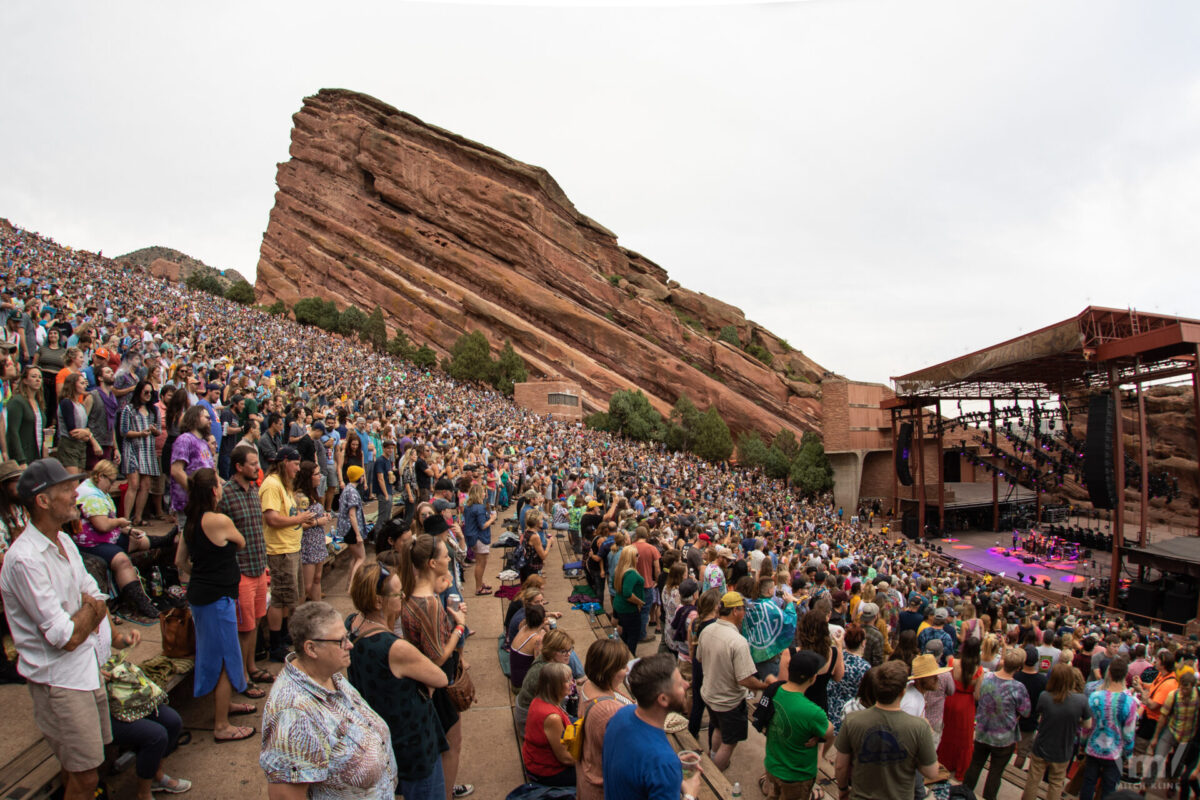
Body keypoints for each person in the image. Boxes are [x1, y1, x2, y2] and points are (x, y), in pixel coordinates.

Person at [0, 458, 111, 800]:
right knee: (85, 776)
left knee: (84, 767)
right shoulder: (25, 559)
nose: (75, 493)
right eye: (66, 488)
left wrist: (88, 610)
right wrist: (90, 612)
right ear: (42, 500)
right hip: (60, 681)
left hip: (84, 670)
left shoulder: (62, 541)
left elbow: (97, 595)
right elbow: (65, 637)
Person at [260, 601, 398, 799]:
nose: (349, 645)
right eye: (340, 641)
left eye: (347, 637)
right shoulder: (293, 714)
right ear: (311, 648)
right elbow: (285, 794)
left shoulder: (330, 676)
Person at [347, 563, 450, 800]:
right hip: (412, 744)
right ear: (377, 601)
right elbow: (440, 677)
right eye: (397, 593)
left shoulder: (352, 625)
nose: (403, 597)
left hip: (381, 736)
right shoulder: (393, 647)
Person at [182, 468, 256, 741]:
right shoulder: (217, 520)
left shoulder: (190, 522)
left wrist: (203, 575)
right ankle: (222, 726)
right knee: (224, 659)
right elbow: (240, 541)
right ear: (214, 491)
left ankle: (224, 706)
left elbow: (181, 562)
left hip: (203, 596)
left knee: (216, 654)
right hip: (217, 600)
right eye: (219, 483)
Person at [398, 532, 472, 800]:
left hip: (425, 681)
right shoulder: (428, 603)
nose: (448, 559)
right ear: (432, 563)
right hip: (437, 682)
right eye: (444, 556)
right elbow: (438, 656)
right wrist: (459, 626)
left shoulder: (414, 594)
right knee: (452, 744)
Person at [601, 653, 702, 800]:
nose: (687, 685)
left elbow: (634, 764)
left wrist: (672, 768)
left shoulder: (620, 715)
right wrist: (690, 794)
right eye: (680, 684)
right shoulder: (662, 760)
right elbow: (654, 760)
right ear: (663, 699)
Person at [834, 660, 940, 800]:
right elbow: (932, 772)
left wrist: (842, 790)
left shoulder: (852, 720)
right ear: (903, 691)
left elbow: (840, 765)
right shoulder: (920, 727)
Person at [697, 591, 778, 770]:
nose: (745, 613)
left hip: (710, 694)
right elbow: (745, 679)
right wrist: (764, 686)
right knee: (730, 742)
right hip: (728, 701)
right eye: (743, 609)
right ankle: (714, 773)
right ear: (735, 611)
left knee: (718, 728)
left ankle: (712, 757)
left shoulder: (707, 630)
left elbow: (700, 658)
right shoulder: (737, 641)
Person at [216, 444, 275, 691]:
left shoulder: (254, 490)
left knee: (256, 621)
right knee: (244, 626)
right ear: (239, 467)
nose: (257, 467)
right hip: (240, 569)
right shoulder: (226, 494)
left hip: (258, 565)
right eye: (252, 464)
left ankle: (250, 667)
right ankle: (241, 678)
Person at [73, 460, 162, 620]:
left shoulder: (97, 489)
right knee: (122, 560)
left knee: (137, 540)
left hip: (106, 537)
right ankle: (141, 604)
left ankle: (166, 540)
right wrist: (120, 522)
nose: (112, 485)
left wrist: (127, 529)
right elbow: (102, 524)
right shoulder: (90, 494)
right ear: (100, 476)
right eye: (111, 481)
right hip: (90, 543)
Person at [260, 445, 317, 662]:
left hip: (291, 547)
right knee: (279, 599)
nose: (297, 469)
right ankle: (275, 645)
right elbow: (272, 519)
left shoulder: (283, 484)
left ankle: (283, 637)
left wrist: (301, 517)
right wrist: (299, 520)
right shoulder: (272, 485)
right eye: (295, 464)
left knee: (287, 599)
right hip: (280, 549)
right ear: (285, 462)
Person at [763, 649, 835, 800]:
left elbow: (770, 680)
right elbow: (829, 732)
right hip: (796, 775)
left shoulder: (775, 690)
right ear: (813, 677)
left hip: (772, 765)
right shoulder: (812, 712)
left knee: (774, 794)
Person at [962, 647, 1031, 800]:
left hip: (983, 731)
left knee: (975, 765)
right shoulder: (1018, 688)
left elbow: (977, 696)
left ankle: (963, 795)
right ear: (1019, 667)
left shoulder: (987, 677)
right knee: (995, 772)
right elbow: (1026, 711)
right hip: (1003, 738)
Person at [1021, 662, 1090, 800]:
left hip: (1042, 745)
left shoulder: (1045, 696)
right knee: (1056, 783)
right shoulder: (1081, 700)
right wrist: (1075, 719)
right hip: (1063, 748)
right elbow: (1088, 725)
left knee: (1033, 780)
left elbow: (1039, 712)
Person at [575, 638, 633, 800]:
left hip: (589, 769)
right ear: (608, 671)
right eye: (622, 667)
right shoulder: (607, 710)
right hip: (602, 788)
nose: (627, 670)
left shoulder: (589, 685)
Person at [1078, 657, 1138, 800]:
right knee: (1109, 789)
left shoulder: (1095, 696)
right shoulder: (1129, 701)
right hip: (1115, 752)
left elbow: (1087, 726)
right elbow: (1129, 733)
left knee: (1088, 783)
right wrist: (1128, 755)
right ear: (1125, 675)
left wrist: (1082, 744)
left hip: (1094, 748)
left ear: (1109, 673)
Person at [521, 662, 576, 786]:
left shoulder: (539, 699)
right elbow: (565, 758)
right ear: (555, 686)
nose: (572, 683)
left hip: (535, 757)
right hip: (547, 772)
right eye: (567, 681)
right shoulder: (552, 718)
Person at [939, 635, 983, 780]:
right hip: (966, 704)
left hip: (951, 700)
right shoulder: (979, 670)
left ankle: (945, 761)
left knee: (947, 732)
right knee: (964, 738)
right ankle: (960, 768)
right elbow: (977, 695)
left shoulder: (952, 662)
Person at [515, 629, 575, 732]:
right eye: (563, 651)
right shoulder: (549, 674)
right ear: (551, 652)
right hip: (530, 721)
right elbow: (556, 708)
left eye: (570, 649)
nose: (568, 654)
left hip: (532, 710)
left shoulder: (545, 658)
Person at [1150, 668, 1200, 796]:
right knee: (1158, 757)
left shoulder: (1198, 697)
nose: (1183, 691)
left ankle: (1172, 785)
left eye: (1186, 689)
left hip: (1187, 736)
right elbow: (1163, 717)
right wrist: (1155, 737)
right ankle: (1146, 784)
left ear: (1193, 687)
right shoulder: (1174, 695)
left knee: (1177, 764)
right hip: (1171, 731)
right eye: (1182, 688)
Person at [119, 380, 160, 524]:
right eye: (146, 392)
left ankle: (138, 517)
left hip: (148, 449)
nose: (148, 395)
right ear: (139, 392)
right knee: (134, 484)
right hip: (132, 448)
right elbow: (123, 431)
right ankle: (125, 518)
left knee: (146, 485)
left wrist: (154, 431)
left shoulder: (154, 411)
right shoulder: (129, 409)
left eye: (150, 392)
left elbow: (158, 431)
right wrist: (139, 434)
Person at [294, 460, 333, 602]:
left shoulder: (313, 494)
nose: (320, 476)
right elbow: (297, 523)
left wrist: (324, 516)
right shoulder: (300, 497)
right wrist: (317, 522)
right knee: (306, 586)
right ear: (308, 477)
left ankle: (318, 609)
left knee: (317, 579)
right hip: (307, 545)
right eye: (316, 474)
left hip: (318, 543)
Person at [1013, 644, 1048, 769]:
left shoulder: (1015, 676)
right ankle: (1015, 771)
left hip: (1013, 717)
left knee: (1008, 748)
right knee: (1022, 752)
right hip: (1029, 719)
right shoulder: (1042, 681)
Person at [6, 365, 47, 465]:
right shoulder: (18, 401)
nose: (37, 380)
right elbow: (13, 432)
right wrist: (21, 459)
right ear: (25, 380)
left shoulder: (39, 403)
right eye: (33, 376)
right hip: (23, 457)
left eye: (40, 377)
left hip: (36, 456)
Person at [55, 371, 95, 473]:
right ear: (73, 385)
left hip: (81, 445)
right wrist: (87, 432)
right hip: (69, 445)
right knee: (73, 482)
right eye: (81, 383)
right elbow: (73, 431)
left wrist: (86, 433)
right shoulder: (66, 403)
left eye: (84, 383)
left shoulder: (81, 405)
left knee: (79, 481)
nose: (84, 386)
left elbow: (85, 429)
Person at [612, 544, 646, 657]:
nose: (639, 556)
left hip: (619, 606)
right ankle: (629, 658)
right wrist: (639, 602)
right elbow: (627, 593)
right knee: (632, 636)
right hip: (629, 610)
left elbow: (615, 586)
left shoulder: (619, 569)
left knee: (625, 634)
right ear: (631, 557)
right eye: (636, 555)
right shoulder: (630, 573)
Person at [337, 465, 367, 592]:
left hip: (347, 529)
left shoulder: (347, 489)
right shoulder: (353, 492)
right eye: (362, 475)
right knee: (361, 558)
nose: (363, 478)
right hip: (352, 529)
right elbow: (352, 514)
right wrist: (358, 534)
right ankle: (352, 587)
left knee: (355, 558)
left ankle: (349, 583)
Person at [461, 483, 494, 596]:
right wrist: (492, 518)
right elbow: (483, 525)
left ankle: (480, 583)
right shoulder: (479, 508)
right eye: (483, 492)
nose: (485, 493)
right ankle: (478, 587)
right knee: (481, 563)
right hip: (479, 537)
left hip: (472, 536)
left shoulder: (468, 506)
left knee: (481, 562)